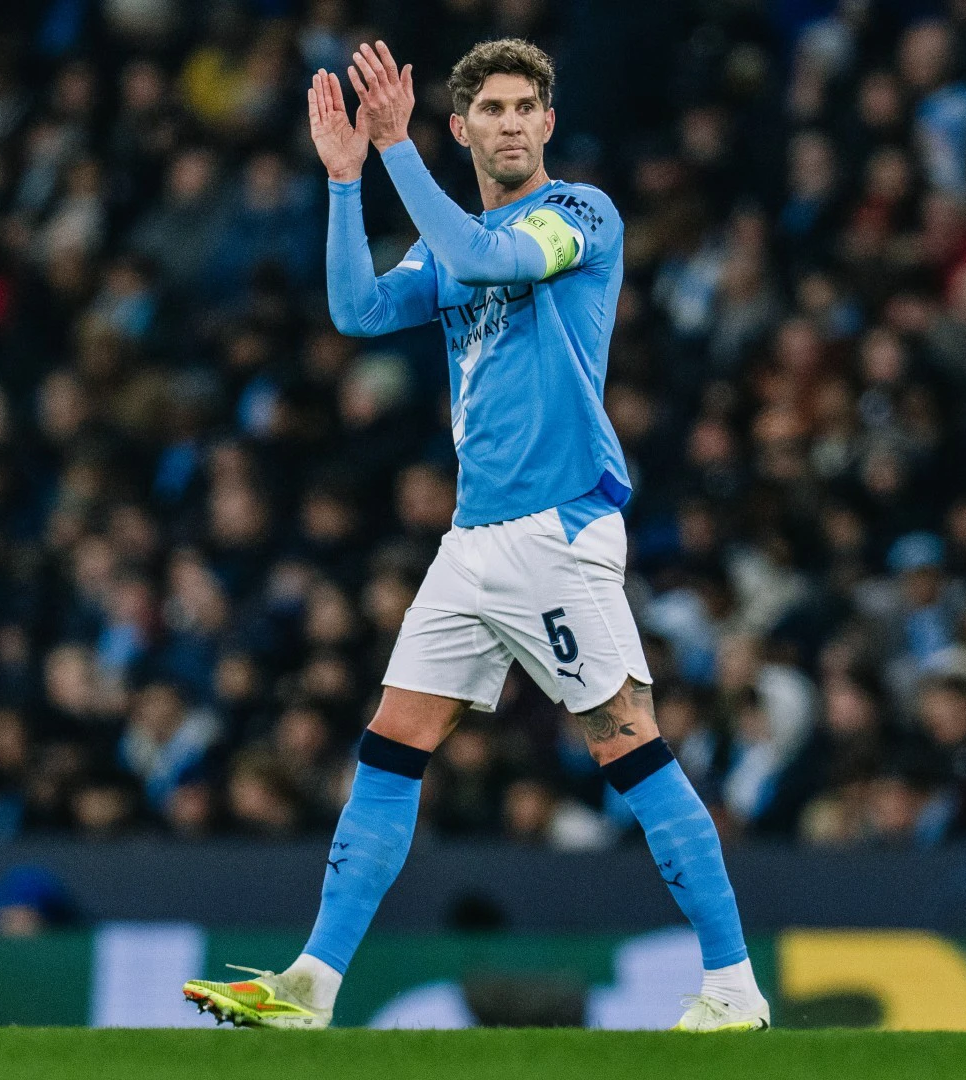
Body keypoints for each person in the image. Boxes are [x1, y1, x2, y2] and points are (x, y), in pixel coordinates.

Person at [181, 38, 768, 1034]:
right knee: (390, 745)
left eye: (521, 108)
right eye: (487, 109)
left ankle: (733, 988)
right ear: (465, 128)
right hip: (473, 540)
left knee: (626, 742)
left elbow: (489, 257)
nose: (505, 123)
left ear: (545, 123)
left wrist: (397, 152)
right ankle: (312, 985)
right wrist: (342, 180)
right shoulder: (444, 232)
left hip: (555, 529)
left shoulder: (580, 215)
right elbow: (358, 310)